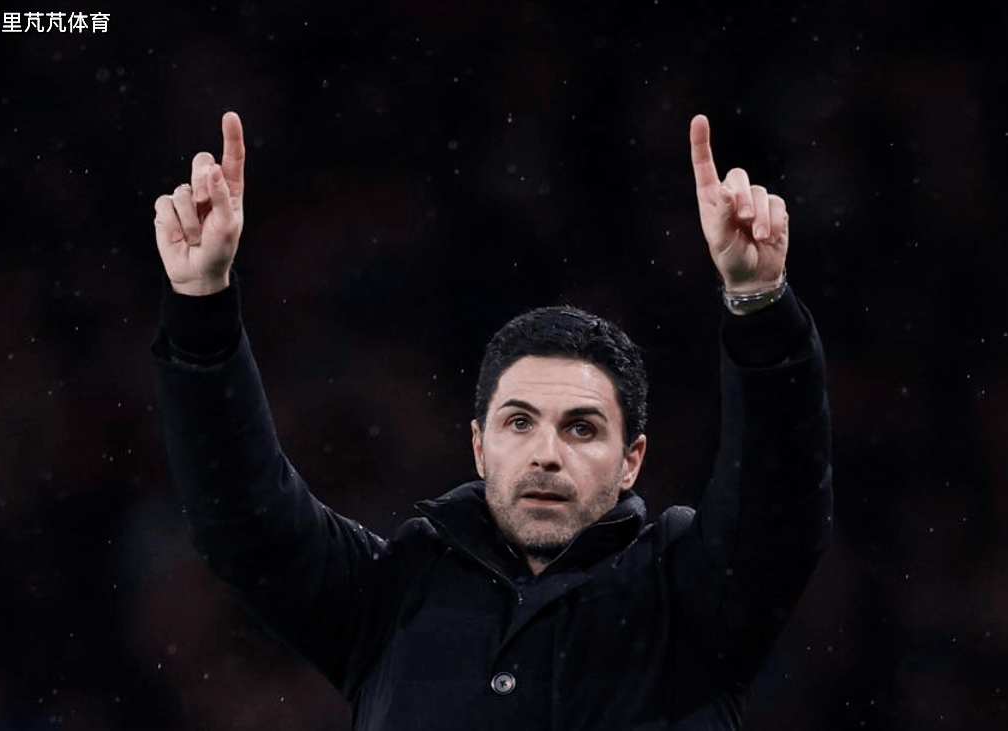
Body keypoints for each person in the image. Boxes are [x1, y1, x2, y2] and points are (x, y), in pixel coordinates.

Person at [151, 111, 832, 730]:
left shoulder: (689, 595)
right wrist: (201, 303)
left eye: (582, 428)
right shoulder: (393, 594)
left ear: (633, 459)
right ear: (478, 447)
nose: (546, 453)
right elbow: (245, 518)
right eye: (518, 422)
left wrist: (758, 303)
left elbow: (778, 502)